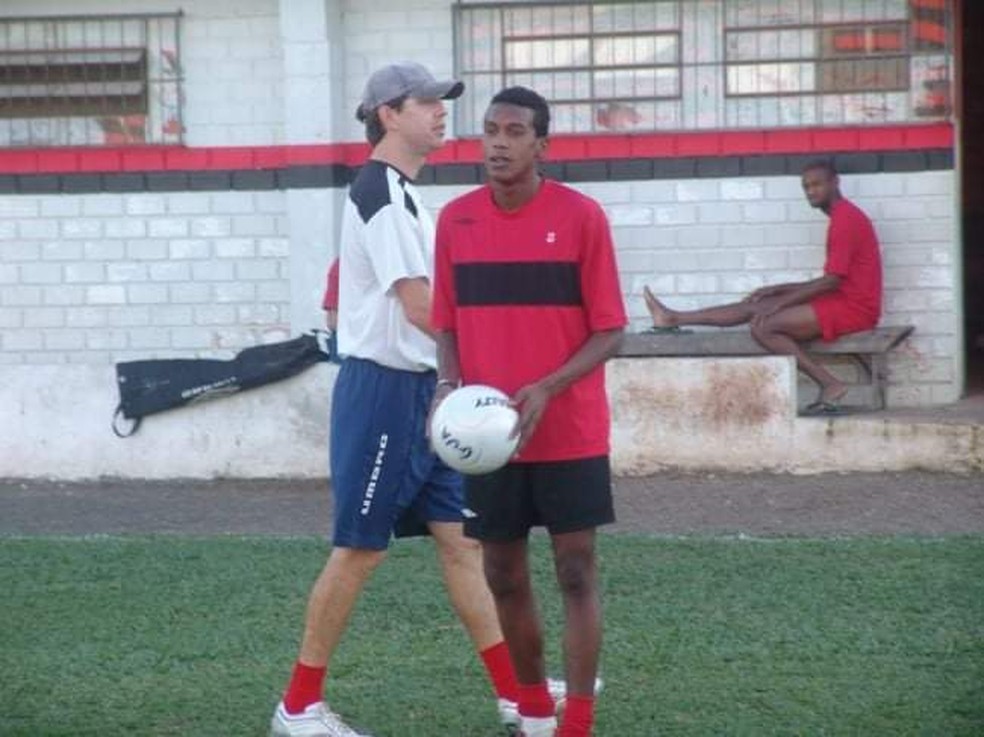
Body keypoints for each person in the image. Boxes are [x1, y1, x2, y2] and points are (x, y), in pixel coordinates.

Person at [270, 62, 525, 737]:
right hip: (383, 394)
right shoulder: (379, 190)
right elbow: (418, 306)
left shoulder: (406, 195)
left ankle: (516, 695)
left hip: (421, 395)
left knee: (462, 543)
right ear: (389, 113)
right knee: (360, 548)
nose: (443, 112)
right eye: (429, 102)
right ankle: (298, 706)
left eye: (444, 102)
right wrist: (490, 359)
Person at [431, 87, 627, 737]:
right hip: (491, 440)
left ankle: (578, 721)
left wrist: (548, 386)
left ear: (541, 145)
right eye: (490, 130)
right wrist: (448, 385)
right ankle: (534, 711)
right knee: (501, 572)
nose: (498, 142)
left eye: (515, 131)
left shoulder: (582, 217)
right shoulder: (455, 220)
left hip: (568, 430)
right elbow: (447, 322)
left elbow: (610, 332)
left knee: (574, 569)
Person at [643, 160, 882, 413]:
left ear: (835, 183)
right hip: (839, 300)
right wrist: (779, 290)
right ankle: (672, 317)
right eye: (806, 187)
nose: (811, 191)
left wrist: (782, 301)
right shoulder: (841, 217)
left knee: (764, 326)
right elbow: (833, 279)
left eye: (817, 184)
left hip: (856, 309)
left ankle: (830, 383)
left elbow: (832, 280)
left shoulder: (846, 219)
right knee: (756, 305)